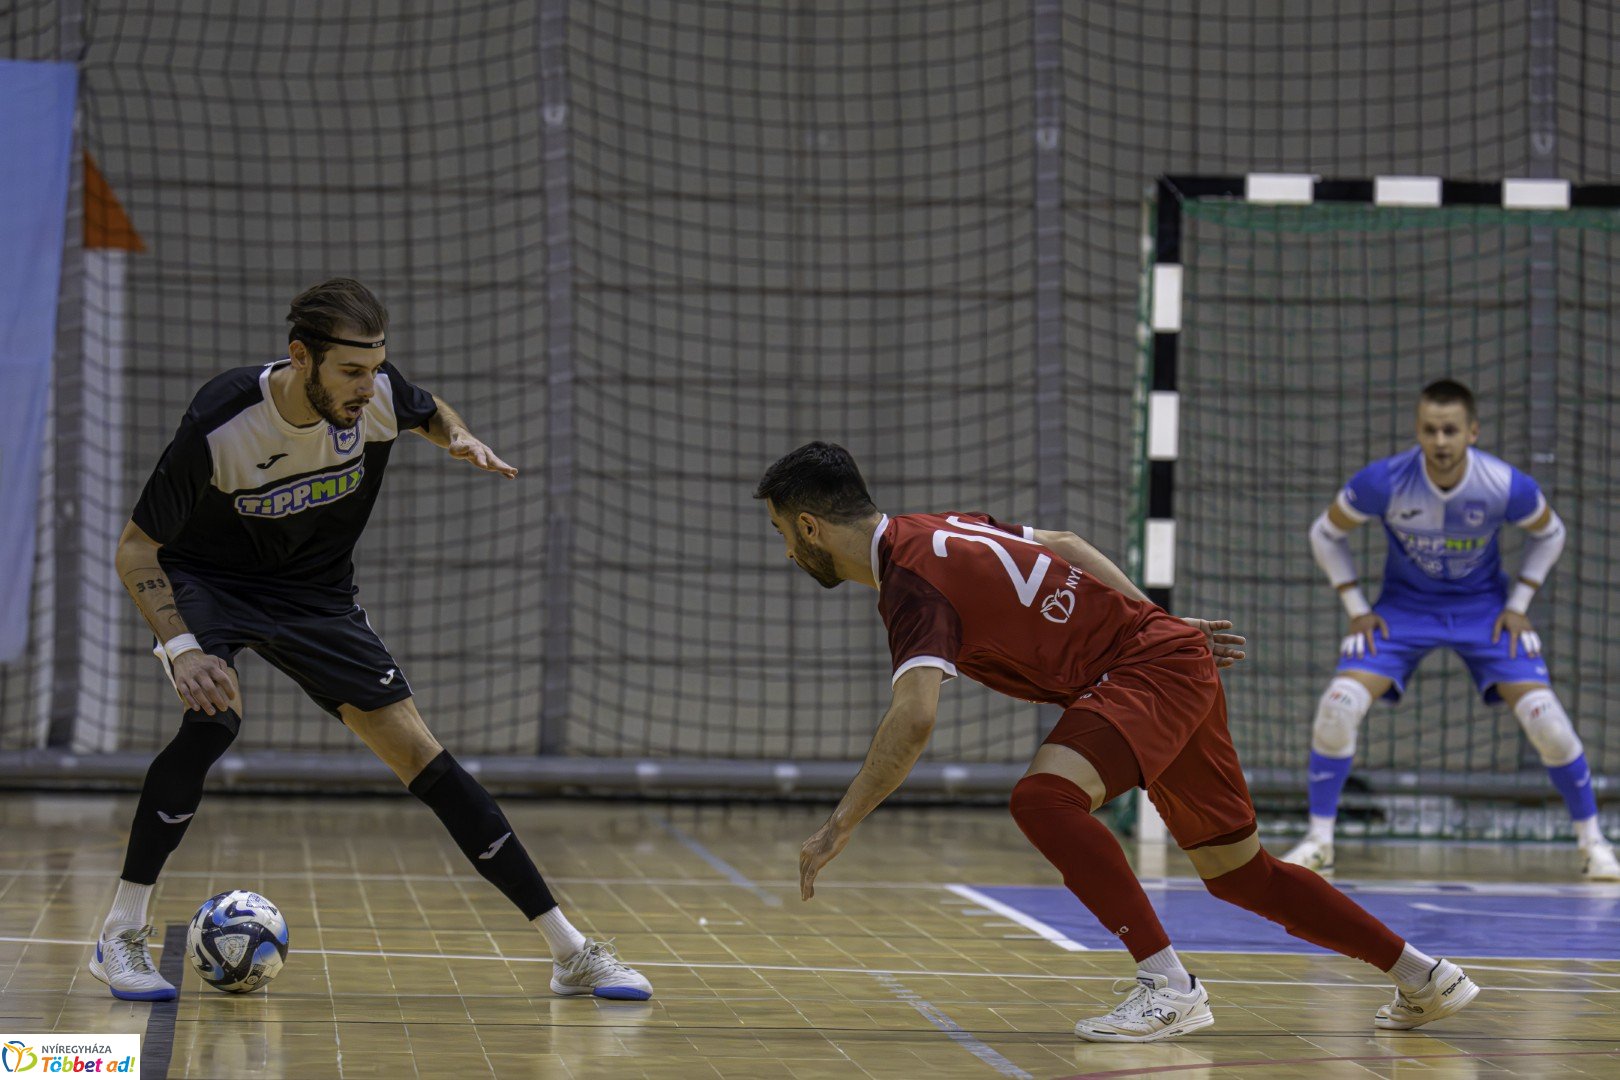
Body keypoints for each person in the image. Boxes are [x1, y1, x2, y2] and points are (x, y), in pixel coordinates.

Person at [754, 441, 1478, 1043]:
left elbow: (913, 720)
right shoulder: (941, 526)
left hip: (1143, 669)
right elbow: (1066, 544)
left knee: (1044, 800)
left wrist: (838, 824)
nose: (786, 552)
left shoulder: (912, 588)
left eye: (783, 534)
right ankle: (1424, 977)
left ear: (812, 526)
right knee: (1238, 874)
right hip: (1160, 657)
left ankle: (1169, 987)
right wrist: (1156, 622)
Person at [90, 278, 651, 1002]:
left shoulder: (380, 396)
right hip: (212, 583)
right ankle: (119, 933)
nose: (369, 385)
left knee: (422, 755)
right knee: (213, 720)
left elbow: (425, 408)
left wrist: (459, 436)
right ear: (302, 358)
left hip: (317, 598)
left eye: (377, 367)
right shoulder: (223, 418)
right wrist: (183, 648)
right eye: (351, 371)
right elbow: (136, 550)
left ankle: (571, 953)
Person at [1283, 379, 1617, 881]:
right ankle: (1319, 840)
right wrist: (1356, 607)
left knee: (1548, 722)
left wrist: (1520, 601)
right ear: (1417, 432)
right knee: (1337, 707)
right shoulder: (1385, 481)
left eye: (1451, 430)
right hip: (1403, 611)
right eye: (1430, 430)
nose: (1440, 441)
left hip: (1485, 611)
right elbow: (1324, 533)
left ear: (1472, 432)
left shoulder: (1506, 485)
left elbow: (1552, 534)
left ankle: (1594, 844)